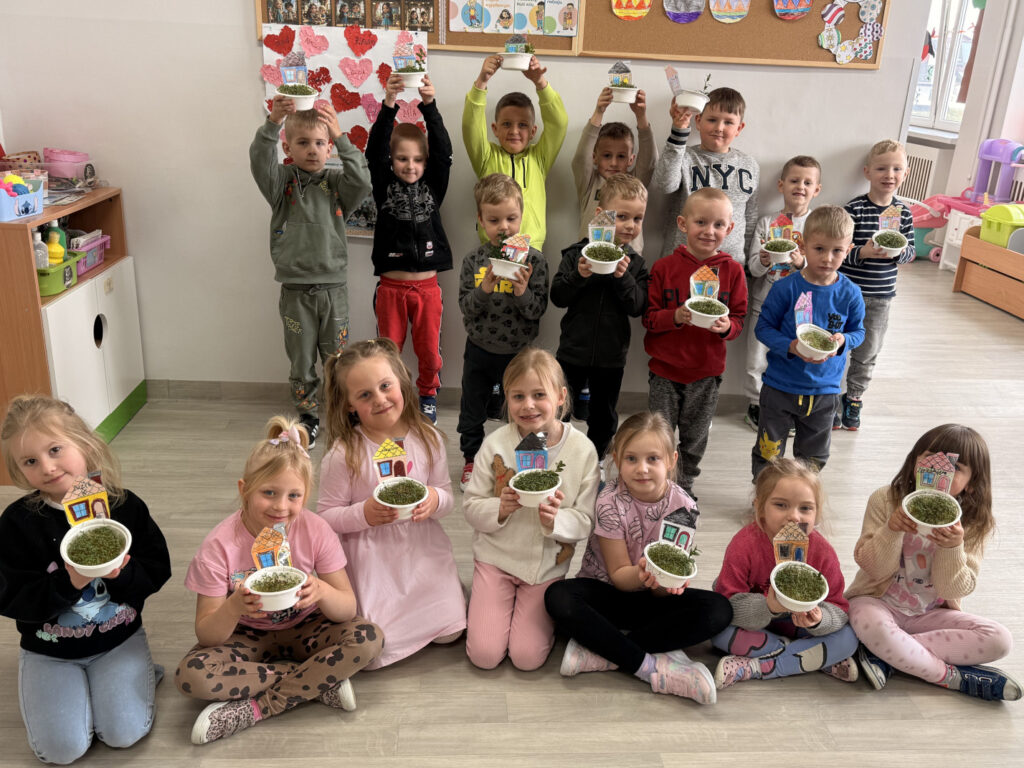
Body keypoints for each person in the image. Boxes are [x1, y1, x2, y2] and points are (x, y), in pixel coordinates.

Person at [176, 417, 383, 745]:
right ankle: (316, 680)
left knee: (369, 639)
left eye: (293, 495)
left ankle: (259, 707)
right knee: (192, 676)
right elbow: (207, 633)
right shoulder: (218, 546)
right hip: (247, 634)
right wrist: (233, 607)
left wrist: (322, 590)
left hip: (307, 626)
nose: (280, 506)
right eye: (269, 492)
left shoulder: (316, 530)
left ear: (306, 496)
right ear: (244, 489)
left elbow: (347, 608)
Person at [0, 395, 171, 764]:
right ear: (18, 470)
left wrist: (122, 572)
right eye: (30, 461)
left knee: (124, 734)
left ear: (86, 443)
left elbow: (158, 569)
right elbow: (9, 595)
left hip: (117, 640)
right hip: (49, 651)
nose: (47, 467)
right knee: (61, 750)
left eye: (55, 449)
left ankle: (136, 675)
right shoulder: (17, 523)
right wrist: (68, 582)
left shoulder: (123, 506)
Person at [544, 412, 731, 705]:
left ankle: (606, 651)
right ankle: (648, 665)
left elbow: (661, 589)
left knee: (719, 610)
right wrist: (644, 573)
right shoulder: (608, 500)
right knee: (558, 597)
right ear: (617, 460)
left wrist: (667, 584)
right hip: (607, 594)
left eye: (652, 459)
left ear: (671, 460)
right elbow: (619, 576)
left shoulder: (684, 508)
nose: (642, 469)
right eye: (631, 459)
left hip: (651, 601)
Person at [317, 338, 466, 668]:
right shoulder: (344, 454)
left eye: (385, 386)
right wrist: (364, 513)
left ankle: (444, 593)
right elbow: (325, 517)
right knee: (376, 652)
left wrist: (434, 499)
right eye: (365, 395)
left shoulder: (428, 438)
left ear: (401, 381)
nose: (380, 399)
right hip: (373, 559)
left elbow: (447, 497)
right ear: (349, 405)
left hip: (421, 548)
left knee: (451, 633)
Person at [847, 425, 1020, 701]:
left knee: (1000, 640)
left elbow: (952, 590)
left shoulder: (975, 523)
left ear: (971, 482)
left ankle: (885, 655)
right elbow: (873, 568)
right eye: (930, 458)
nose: (941, 471)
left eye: (956, 467)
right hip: (876, 603)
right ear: (914, 461)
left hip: (929, 615)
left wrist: (953, 547)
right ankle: (950, 677)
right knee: (873, 626)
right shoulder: (886, 499)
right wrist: (892, 530)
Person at [463, 348, 600, 670]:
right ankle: (476, 600)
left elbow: (585, 520)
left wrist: (556, 520)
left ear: (561, 397)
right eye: (517, 396)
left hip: (546, 568)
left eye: (539, 395)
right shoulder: (495, 444)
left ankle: (525, 620)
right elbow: (470, 506)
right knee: (484, 656)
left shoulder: (582, 450)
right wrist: (500, 508)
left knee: (527, 658)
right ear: (506, 399)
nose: (528, 405)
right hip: (496, 560)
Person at [250, 96, 371, 448]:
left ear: (329, 147)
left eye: (320, 143)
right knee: (301, 360)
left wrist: (341, 136)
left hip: (334, 290)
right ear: (288, 147)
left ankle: (344, 413)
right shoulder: (281, 183)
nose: (312, 150)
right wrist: (273, 123)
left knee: (339, 359)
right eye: (303, 143)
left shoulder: (337, 185)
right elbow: (259, 159)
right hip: (296, 293)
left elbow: (362, 180)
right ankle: (308, 416)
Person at [711, 458, 859, 689]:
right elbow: (727, 605)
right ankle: (809, 657)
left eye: (805, 508)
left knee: (848, 639)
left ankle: (755, 666)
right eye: (781, 505)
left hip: (803, 629)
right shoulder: (744, 545)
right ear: (759, 507)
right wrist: (768, 607)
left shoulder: (822, 552)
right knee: (717, 631)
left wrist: (819, 620)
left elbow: (839, 610)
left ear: (817, 513)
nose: (794, 517)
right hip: (757, 627)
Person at [643, 187, 747, 499]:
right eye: (701, 222)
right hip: (664, 371)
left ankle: (684, 486)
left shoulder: (733, 271)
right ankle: (658, 484)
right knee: (659, 435)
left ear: (729, 228)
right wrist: (675, 316)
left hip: (706, 373)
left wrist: (727, 327)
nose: (709, 231)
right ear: (683, 224)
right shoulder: (664, 267)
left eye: (718, 224)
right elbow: (648, 318)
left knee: (695, 436)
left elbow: (739, 320)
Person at [751, 205, 865, 481]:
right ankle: (764, 496)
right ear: (802, 246)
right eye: (819, 249)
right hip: (780, 386)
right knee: (768, 452)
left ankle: (803, 495)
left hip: (825, 390)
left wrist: (844, 340)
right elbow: (763, 328)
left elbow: (859, 332)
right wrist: (789, 346)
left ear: (848, 250)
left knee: (814, 456)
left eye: (837, 251)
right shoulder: (785, 287)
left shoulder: (850, 293)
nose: (827, 258)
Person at [367, 73, 453, 423]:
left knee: (429, 351)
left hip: (428, 289)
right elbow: (374, 152)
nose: (411, 166)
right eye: (402, 159)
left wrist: (429, 105)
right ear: (392, 161)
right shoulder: (383, 183)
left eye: (417, 159)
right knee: (387, 353)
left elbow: (444, 154)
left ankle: (428, 394)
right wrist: (389, 104)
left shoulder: (434, 185)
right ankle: (390, 398)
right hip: (391, 288)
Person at [457, 174, 549, 490]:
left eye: (511, 218)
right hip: (479, 348)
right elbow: (466, 308)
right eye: (494, 220)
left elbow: (537, 311)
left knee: (523, 409)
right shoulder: (474, 260)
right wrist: (484, 288)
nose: (504, 227)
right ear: (481, 220)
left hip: (519, 353)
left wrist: (522, 291)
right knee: (472, 409)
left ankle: (525, 461)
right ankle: (471, 460)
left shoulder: (534, 260)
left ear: (521, 216)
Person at [551, 174, 649, 464]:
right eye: (622, 216)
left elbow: (638, 306)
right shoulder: (575, 255)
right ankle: (556, 459)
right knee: (559, 409)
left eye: (638, 218)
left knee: (604, 415)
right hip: (572, 350)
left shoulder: (636, 264)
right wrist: (579, 275)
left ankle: (595, 463)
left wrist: (623, 277)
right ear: (600, 215)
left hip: (611, 355)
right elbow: (557, 297)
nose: (630, 225)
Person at [836, 139, 916, 431]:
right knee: (838, 345)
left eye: (896, 169)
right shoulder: (855, 209)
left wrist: (899, 253)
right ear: (867, 172)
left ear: (905, 174)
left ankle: (854, 398)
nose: (889, 175)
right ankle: (830, 397)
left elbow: (911, 253)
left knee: (868, 351)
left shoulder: (904, 213)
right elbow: (840, 252)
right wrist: (863, 253)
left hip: (881, 298)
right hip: (848, 295)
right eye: (882, 168)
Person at [744, 156, 822, 431]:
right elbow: (753, 269)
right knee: (757, 357)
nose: (800, 186)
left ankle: (787, 405)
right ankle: (755, 403)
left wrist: (802, 263)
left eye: (807, 182)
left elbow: (822, 269)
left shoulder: (817, 225)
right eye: (794, 180)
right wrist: (765, 260)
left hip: (800, 307)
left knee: (794, 355)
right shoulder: (767, 223)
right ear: (781, 185)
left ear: (816, 190)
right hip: (764, 302)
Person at [462, 52, 568, 252]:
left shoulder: (539, 158)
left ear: (533, 132)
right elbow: (471, 127)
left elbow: (559, 123)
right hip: (493, 247)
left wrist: (540, 82)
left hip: (531, 248)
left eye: (522, 125)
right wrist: (481, 82)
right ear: (495, 129)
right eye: (507, 124)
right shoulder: (486, 157)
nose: (514, 131)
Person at [650, 87, 759, 267]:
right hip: (682, 262)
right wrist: (678, 132)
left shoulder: (749, 165)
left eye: (728, 122)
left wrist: (745, 264)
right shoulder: (685, 156)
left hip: (729, 266)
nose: (719, 128)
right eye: (712, 120)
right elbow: (663, 184)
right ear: (698, 121)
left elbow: (750, 218)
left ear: (739, 128)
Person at [572, 87, 657, 254]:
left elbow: (650, 160)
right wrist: (599, 112)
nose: (613, 163)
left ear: (631, 160)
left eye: (621, 156)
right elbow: (581, 158)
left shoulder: (634, 183)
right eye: (607, 155)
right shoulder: (589, 182)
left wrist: (641, 116)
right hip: (590, 257)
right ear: (594, 157)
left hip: (629, 258)